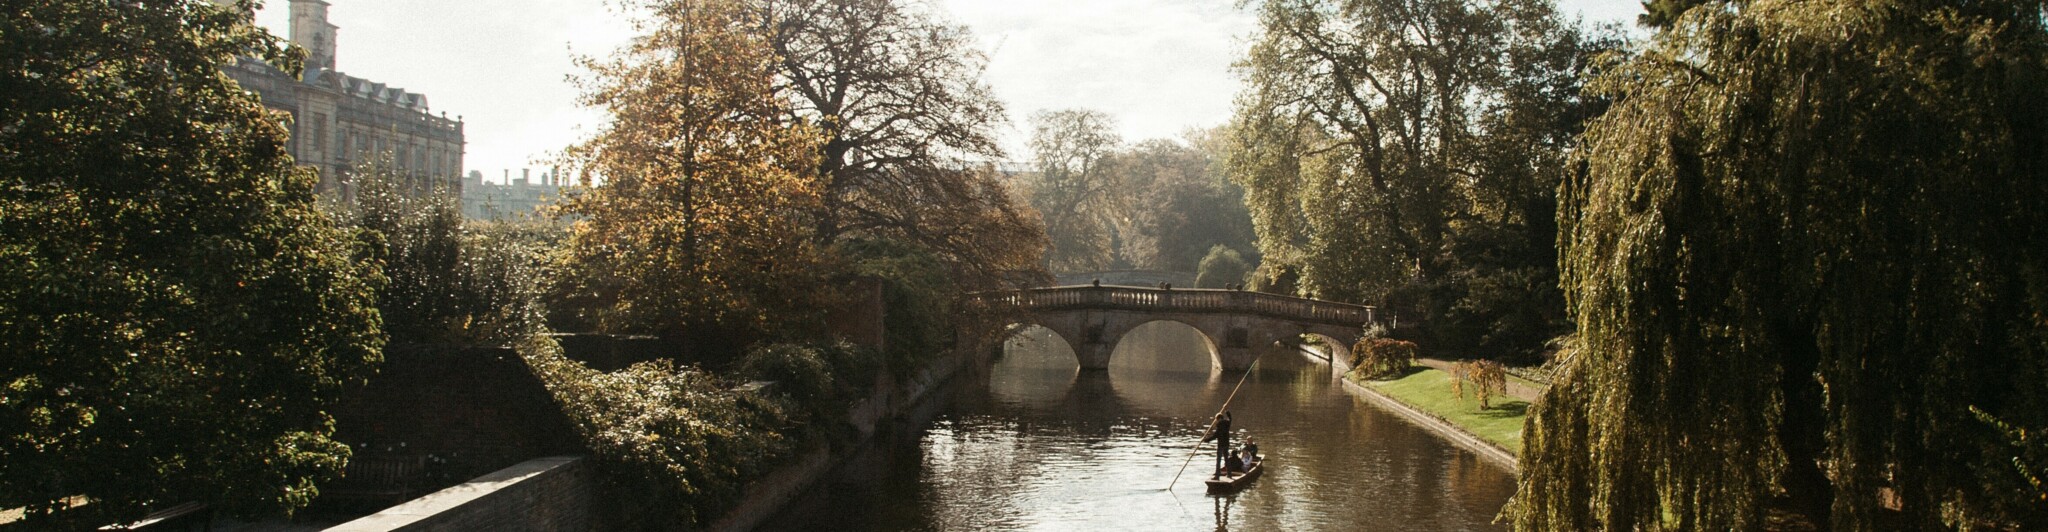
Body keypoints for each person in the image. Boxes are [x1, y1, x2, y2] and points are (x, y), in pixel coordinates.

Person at [1201, 411, 1232, 478]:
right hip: (1226, 444)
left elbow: (1214, 436)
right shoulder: (1227, 424)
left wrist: (1206, 440)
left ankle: (1217, 475)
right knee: (1226, 459)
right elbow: (1230, 418)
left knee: (1218, 460)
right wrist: (1227, 412)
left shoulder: (1219, 426)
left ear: (1218, 419)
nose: (1216, 421)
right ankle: (1229, 474)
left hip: (1221, 445)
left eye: (1216, 420)